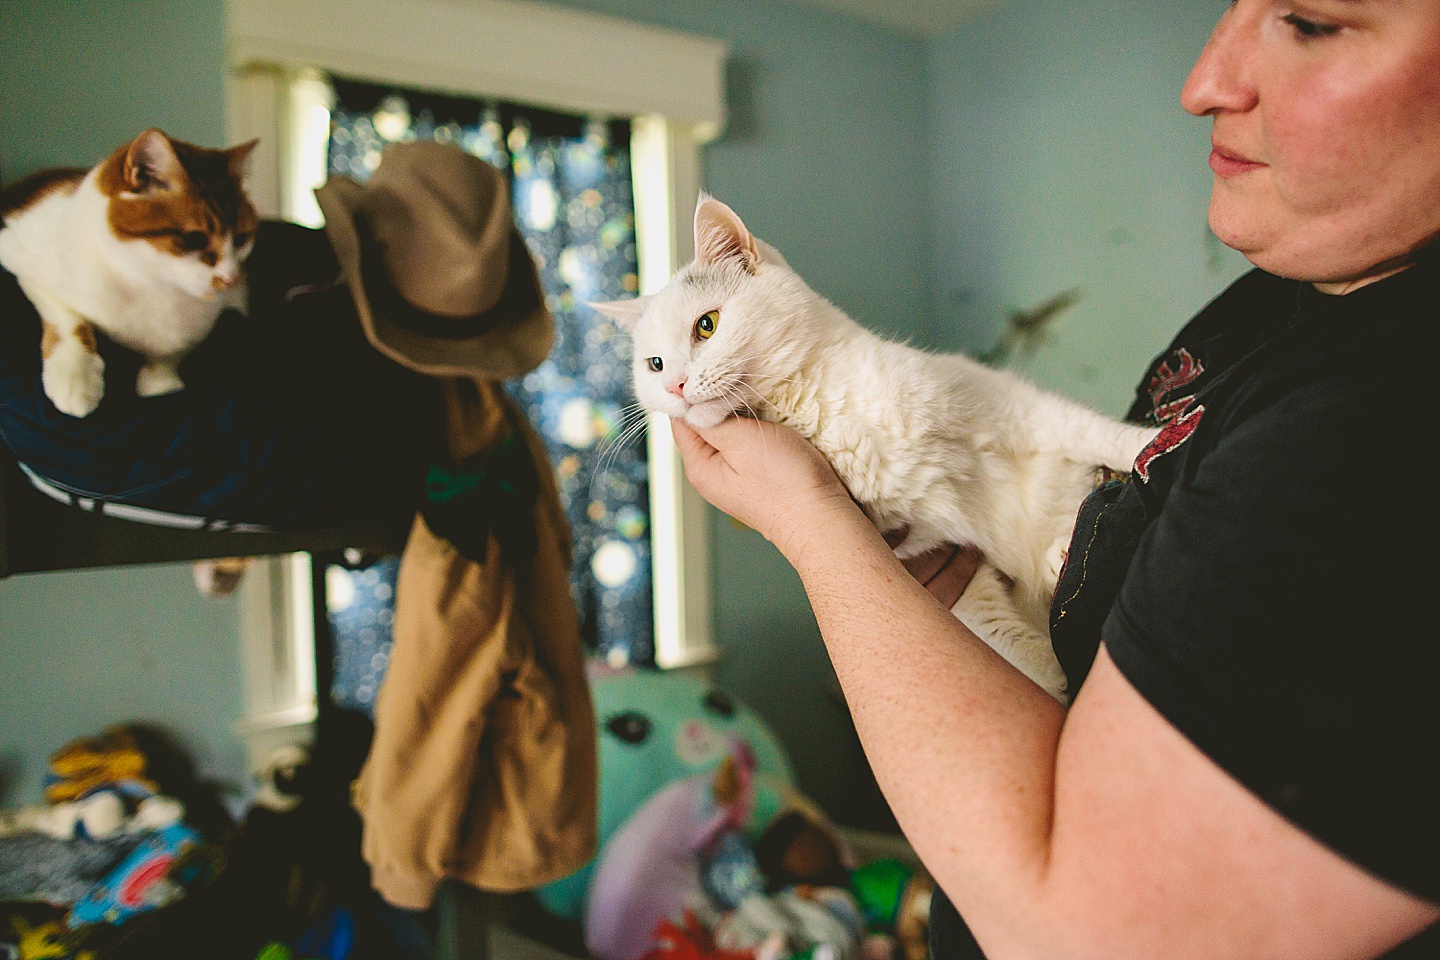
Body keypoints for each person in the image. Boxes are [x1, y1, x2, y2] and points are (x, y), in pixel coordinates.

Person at [668, 2, 1440, 958]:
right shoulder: (1282, 296)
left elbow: (1075, 934)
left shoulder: (1388, 421)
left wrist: (814, 525)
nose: (1204, 81)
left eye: (1313, 21)